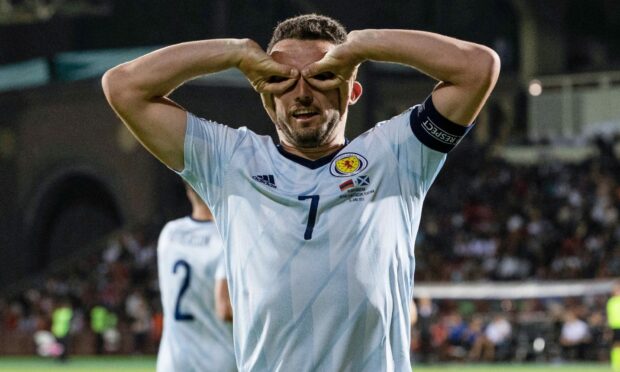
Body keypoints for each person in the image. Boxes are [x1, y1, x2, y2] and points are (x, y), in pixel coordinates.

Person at [102, 13, 499, 371]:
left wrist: (364, 44)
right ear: (264, 93)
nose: (302, 93)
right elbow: (123, 86)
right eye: (282, 80)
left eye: (322, 76)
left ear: (353, 90)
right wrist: (235, 53)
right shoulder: (228, 161)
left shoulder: (396, 155)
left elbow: (478, 67)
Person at [155, 183, 236, 372]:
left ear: (189, 191)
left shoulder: (169, 233)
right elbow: (224, 309)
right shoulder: (226, 238)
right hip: (218, 359)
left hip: (173, 360)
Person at [608, 282, 620, 370]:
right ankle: (616, 364)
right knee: (616, 345)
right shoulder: (611, 301)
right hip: (615, 327)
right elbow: (610, 315)